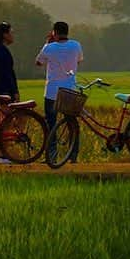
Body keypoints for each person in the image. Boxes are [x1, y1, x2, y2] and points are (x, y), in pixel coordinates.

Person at [36, 21, 83, 163]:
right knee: (72, 123)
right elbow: (79, 61)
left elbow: (38, 62)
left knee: (51, 124)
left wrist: (47, 43)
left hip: (52, 92)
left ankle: (52, 156)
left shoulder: (49, 48)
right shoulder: (76, 45)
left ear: (54, 33)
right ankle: (73, 155)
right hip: (69, 90)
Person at [0, 21, 20, 165]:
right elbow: (6, 75)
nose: (13, 35)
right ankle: (0, 156)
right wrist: (13, 92)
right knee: (4, 124)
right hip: (4, 92)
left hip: (2, 91)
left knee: (2, 123)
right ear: (4, 35)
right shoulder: (2, 52)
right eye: (11, 32)